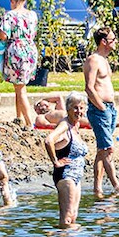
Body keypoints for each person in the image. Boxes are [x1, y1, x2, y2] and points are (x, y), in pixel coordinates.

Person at [82, 27, 119, 197]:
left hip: (109, 109)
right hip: (99, 109)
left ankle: (98, 188)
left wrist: (111, 106)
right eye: (113, 39)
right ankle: (117, 185)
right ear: (104, 41)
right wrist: (101, 106)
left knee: (102, 150)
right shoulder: (93, 60)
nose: (115, 41)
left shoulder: (104, 59)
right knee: (108, 149)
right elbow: (89, 87)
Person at [0, 0, 40, 127]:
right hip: (30, 49)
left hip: (17, 50)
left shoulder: (10, 15)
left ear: (12, 1)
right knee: (20, 86)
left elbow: (3, 35)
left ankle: (29, 123)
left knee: (20, 88)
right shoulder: (33, 15)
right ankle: (18, 117)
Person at [46, 94, 89, 228]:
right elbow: (49, 140)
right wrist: (55, 161)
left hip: (76, 177)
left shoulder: (75, 126)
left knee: (73, 216)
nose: (79, 111)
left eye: (81, 108)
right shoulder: (65, 125)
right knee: (66, 219)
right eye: (75, 108)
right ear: (68, 109)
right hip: (66, 176)